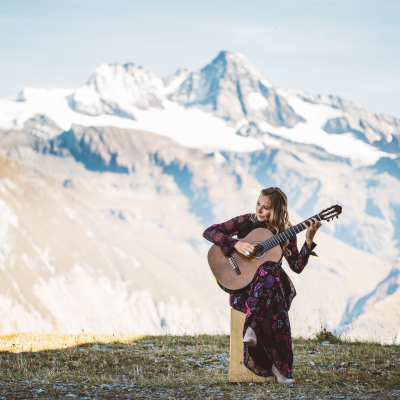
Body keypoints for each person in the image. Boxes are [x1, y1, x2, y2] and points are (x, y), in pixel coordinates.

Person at [202, 187, 321, 385]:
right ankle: (281, 370)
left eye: (265, 208)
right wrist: (235, 245)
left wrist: (308, 240)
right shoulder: (248, 222)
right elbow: (210, 231)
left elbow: (297, 266)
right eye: (258, 203)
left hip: (270, 292)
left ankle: (253, 328)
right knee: (272, 284)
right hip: (245, 291)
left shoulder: (287, 232)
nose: (259, 210)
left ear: (277, 211)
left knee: (269, 270)